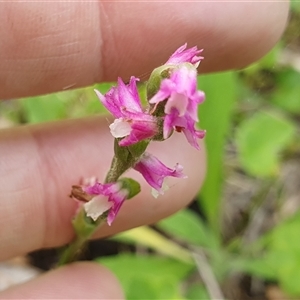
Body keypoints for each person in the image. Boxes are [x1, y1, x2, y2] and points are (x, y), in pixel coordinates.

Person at [0, 1, 289, 298]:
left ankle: (104, 204)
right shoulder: (149, 117)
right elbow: (134, 137)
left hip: (132, 156)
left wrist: (171, 109)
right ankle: (91, 220)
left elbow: (151, 132)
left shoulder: (161, 119)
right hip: (128, 158)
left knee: (120, 183)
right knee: (114, 186)